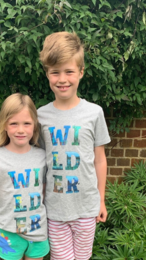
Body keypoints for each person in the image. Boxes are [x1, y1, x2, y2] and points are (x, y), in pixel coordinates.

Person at [38, 31, 111, 260]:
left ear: (81, 72)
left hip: (86, 208)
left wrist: (101, 200)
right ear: (47, 74)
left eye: (69, 71)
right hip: (55, 210)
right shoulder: (40, 117)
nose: (62, 79)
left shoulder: (94, 113)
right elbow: (38, 163)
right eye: (55, 72)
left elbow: (99, 159)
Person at [0, 93, 50, 260]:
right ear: (4, 125)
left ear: (34, 126)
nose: (21, 130)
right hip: (8, 233)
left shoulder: (42, 156)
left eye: (27, 123)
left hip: (38, 231)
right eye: (14, 123)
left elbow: (43, 193)